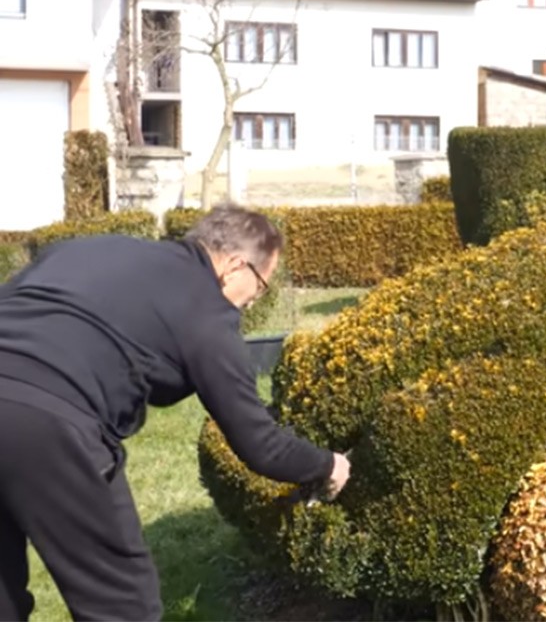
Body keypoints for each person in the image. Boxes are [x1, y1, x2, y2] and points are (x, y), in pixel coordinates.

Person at [0, 204, 351, 621]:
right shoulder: (206, 311)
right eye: (259, 287)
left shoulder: (91, 249)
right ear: (235, 266)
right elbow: (260, 445)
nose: (252, 302)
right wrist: (327, 464)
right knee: (121, 604)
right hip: (49, 421)